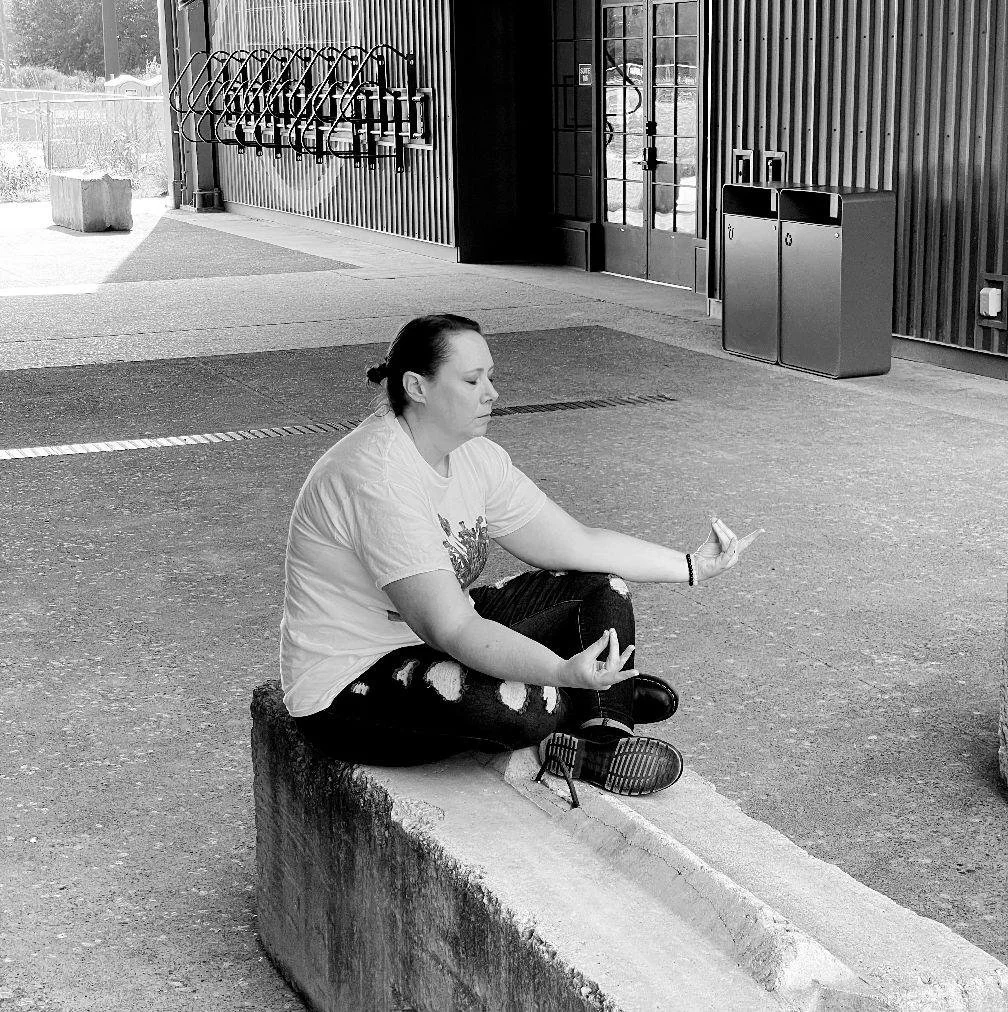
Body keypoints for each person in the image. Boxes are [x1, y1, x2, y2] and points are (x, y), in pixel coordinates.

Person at [280, 313, 759, 802]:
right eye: (472, 380)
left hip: (442, 636)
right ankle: (582, 705)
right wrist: (559, 671)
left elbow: (579, 543)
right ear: (416, 387)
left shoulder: (473, 456)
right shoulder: (378, 476)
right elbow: (452, 630)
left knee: (599, 587)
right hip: (352, 687)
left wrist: (693, 566)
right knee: (522, 705)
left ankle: (604, 733)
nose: (491, 393)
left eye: (491, 377)